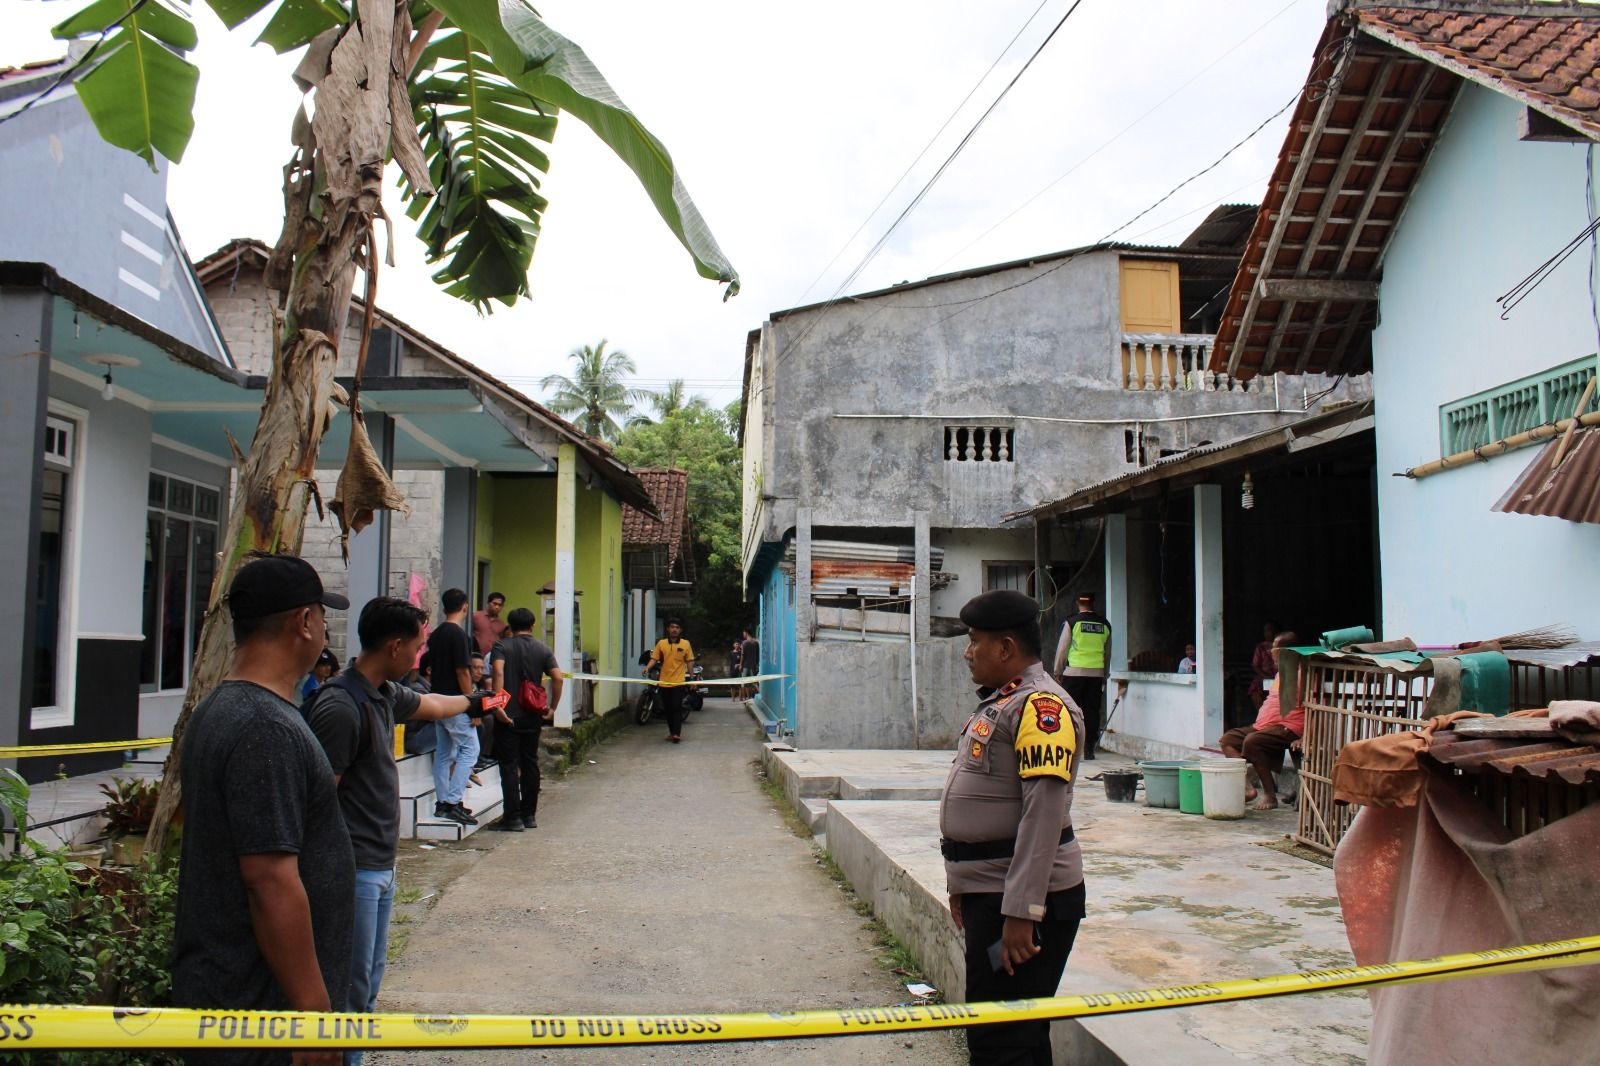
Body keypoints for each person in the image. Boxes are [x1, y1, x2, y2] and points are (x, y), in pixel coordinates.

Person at [302, 597, 503, 1063]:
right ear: (394, 646)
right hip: (351, 869)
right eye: (416, 647)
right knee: (350, 993)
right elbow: (319, 801)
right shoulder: (341, 706)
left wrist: (480, 701)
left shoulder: (383, 693)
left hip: (379, 865)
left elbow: (432, 704)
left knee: (368, 985)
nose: (419, 657)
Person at [171, 553, 352, 1066]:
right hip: (259, 1014)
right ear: (304, 622)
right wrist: (313, 1015)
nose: (323, 628)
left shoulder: (221, 709)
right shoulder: (264, 728)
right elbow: (270, 879)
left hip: (240, 1002)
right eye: (322, 615)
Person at [941, 589, 1086, 1066]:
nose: (968, 652)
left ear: (1005, 648)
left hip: (1021, 903)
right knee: (1007, 1035)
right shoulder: (1005, 701)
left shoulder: (1043, 709)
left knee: (1004, 1041)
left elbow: (1042, 814)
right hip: (993, 892)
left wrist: (1024, 911)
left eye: (975, 641)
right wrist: (962, 883)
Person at [488, 607, 564, 832]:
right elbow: (558, 678)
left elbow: (498, 672)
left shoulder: (501, 646)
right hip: (532, 715)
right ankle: (529, 814)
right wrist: (553, 708)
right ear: (532, 626)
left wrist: (498, 704)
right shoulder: (542, 648)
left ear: (510, 626)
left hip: (508, 715)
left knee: (509, 766)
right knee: (530, 763)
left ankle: (512, 818)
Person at [1220, 632, 1301, 811]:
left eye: (1274, 648)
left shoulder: (1304, 673)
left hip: (1289, 727)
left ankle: (1270, 796)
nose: (1271, 651)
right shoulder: (1281, 672)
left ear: (1285, 651)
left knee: (1253, 742)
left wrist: (1304, 737)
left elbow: (1315, 708)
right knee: (1228, 740)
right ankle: (1248, 789)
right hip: (1263, 726)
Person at [427, 588, 478, 824]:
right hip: (456, 701)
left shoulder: (436, 635)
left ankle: (442, 802)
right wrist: (471, 703)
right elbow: (462, 671)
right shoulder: (458, 635)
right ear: (465, 607)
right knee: (470, 749)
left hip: (438, 699)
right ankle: (453, 801)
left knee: (444, 753)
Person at [1053, 591, 1111, 760]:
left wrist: (1058, 672)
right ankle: (1089, 749)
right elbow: (1107, 653)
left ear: (1077, 604)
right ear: (1093, 604)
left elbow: (1062, 649)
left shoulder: (1072, 622)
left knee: (1069, 710)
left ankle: (1069, 745)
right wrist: (1104, 674)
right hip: (1096, 674)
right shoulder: (1105, 624)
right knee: (1092, 711)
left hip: (1073, 674)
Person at [645, 618, 695, 742]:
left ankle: (677, 734)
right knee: (667, 709)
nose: (674, 629)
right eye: (672, 627)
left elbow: (689, 661)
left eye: (677, 627)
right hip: (664, 681)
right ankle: (672, 732)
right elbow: (654, 658)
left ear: (680, 630)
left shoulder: (685, 644)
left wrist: (692, 678)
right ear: (668, 629)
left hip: (678, 682)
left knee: (676, 707)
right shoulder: (661, 644)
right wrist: (647, 668)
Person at [1249, 620, 1281, 710]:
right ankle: (1261, 714)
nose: (1267, 633)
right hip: (1264, 676)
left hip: (1281, 676)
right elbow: (1255, 665)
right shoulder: (1261, 647)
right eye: (1265, 630)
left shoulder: (1283, 646)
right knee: (1255, 688)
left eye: (1270, 630)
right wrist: (1265, 676)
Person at [740, 627, 760, 701]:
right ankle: (757, 694)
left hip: (745, 665)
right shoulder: (756, 642)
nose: (743, 635)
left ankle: (743, 698)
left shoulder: (744, 643)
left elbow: (742, 655)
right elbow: (757, 655)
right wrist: (757, 664)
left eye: (743, 633)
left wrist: (741, 664)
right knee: (753, 681)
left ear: (746, 633)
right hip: (754, 665)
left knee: (743, 682)